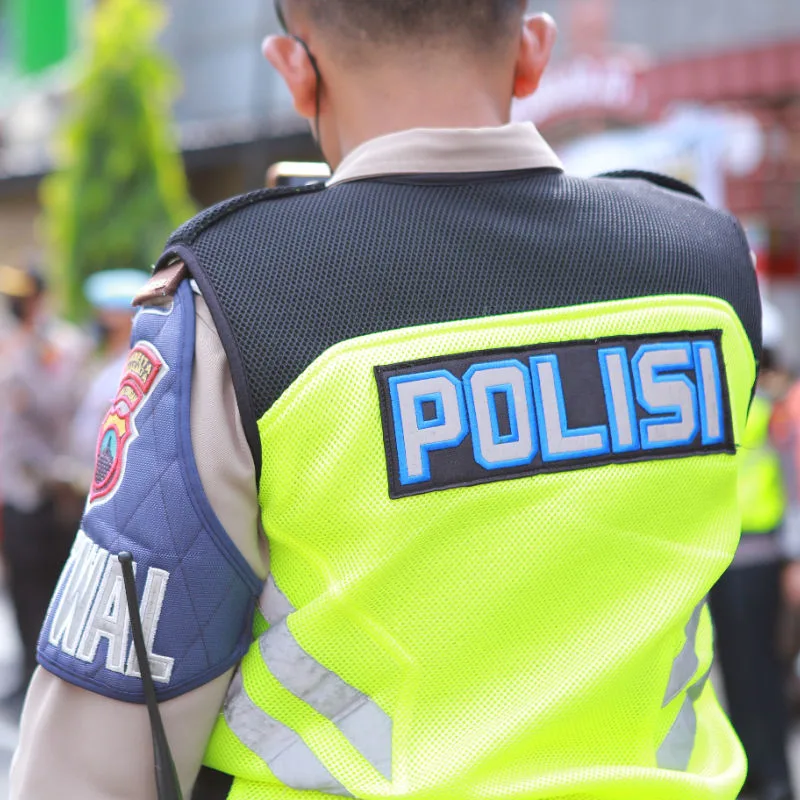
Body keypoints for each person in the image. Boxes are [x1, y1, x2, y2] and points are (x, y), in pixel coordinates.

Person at [12, 2, 762, 799]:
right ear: (533, 50)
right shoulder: (706, 267)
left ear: (296, 70)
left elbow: (103, 741)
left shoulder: (240, 298)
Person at [709, 301, 793, 800]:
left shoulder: (768, 409)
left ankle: (772, 779)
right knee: (741, 675)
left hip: (759, 555)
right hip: (731, 557)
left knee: (759, 674)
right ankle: (757, 777)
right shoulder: (742, 403)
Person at [0, 265, 89, 702]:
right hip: (12, 487)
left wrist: (26, 357)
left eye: (21, 296)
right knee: (20, 586)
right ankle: (24, 673)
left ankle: (53, 680)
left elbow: (55, 404)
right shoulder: (7, 341)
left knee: (52, 586)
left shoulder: (60, 344)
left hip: (52, 489)